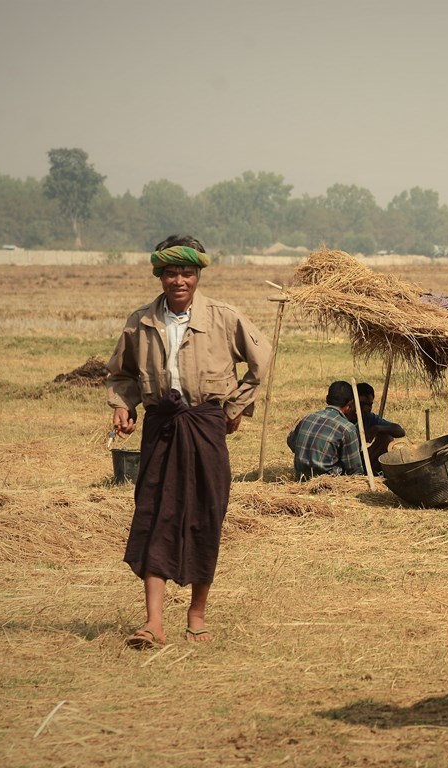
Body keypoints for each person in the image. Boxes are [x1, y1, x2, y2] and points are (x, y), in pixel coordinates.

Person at [106, 234, 272, 648]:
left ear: (197, 275)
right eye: (170, 273)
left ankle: (196, 616)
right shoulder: (141, 321)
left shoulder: (223, 317)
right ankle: (153, 624)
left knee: (205, 513)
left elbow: (261, 358)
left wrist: (234, 407)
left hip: (205, 425)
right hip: (160, 425)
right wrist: (123, 405)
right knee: (154, 514)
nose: (179, 280)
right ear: (159, 275)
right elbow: (122, 373)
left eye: (187, 272)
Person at [286, 380, 366, 479]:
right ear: (350, 404)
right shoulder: (347, 429)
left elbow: (291, 442)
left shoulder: (307, 418)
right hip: (328, 482)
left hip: (301, 478)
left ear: (327, 399)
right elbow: (355, 471)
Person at [354, 382, 406, 465]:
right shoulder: (345, 419)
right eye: (362, 404)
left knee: (386, 438)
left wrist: (377, 428)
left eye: (369, 405)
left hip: (361, 460)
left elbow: (400, 432)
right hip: (346, 461)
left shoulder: (369, 418)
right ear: (352, 402)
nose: (366, 409)